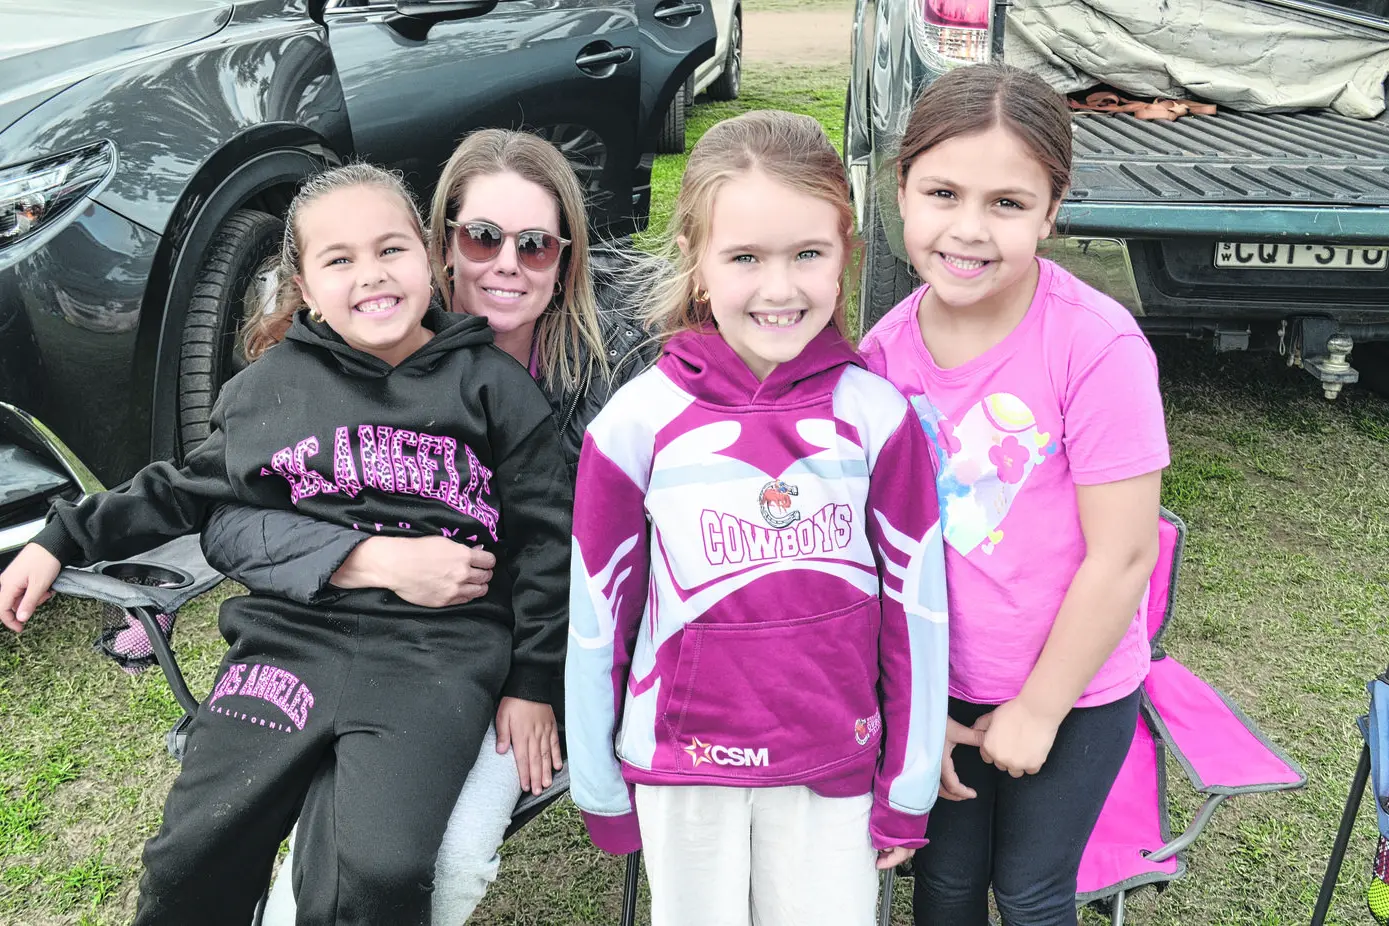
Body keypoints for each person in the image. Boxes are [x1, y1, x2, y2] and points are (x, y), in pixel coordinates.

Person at [0, 164, 572, 924]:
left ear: (429, 261)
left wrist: (533, 680)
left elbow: (547, 538)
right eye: (339, 259)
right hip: (289, 645)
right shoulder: (269, 388)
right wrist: (61, 539)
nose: (371, 275)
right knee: (192, 852)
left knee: (383, 868)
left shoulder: (493, 387)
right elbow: (183, 488)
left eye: (390, 249)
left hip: (438, 659)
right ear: (303, 283)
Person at [197, 128, 657, 923]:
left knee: (444, 857)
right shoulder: (365, 339)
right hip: (360, 644)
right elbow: (224, 512)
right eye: (481, 237)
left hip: (523, 657)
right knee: (314, 844)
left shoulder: (617, 380)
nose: (505, 263)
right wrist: (364, 558)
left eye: (536, 244)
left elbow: (620, 558)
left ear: (566, 257)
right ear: (439, 243)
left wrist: (534, 681)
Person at [565, 109, 949, 926]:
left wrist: (909, 784)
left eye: (808, 253)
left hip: (833, 768)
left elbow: (917, 614)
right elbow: (597, 617)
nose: (779, 288)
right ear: (697, 265)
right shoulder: (634, 425)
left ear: (846, 253)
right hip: (682, 769)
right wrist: (598, 784)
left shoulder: (878, 418)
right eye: (745, 257)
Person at [858, 63, 1170, 926]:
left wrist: (1037, 708)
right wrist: (903, 704)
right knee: (944, 889)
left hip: (1073, 691)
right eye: (943, 193)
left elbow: (1124, 556)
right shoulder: (880, 355)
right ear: (903, 191)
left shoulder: (1095, 347)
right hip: (938, 688)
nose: (968, 229)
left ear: (1051, 208)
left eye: (1006, 203)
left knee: (1031, 895)